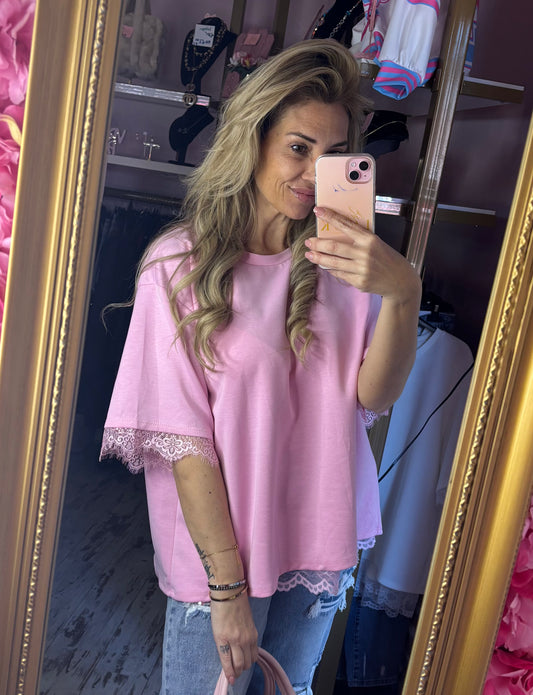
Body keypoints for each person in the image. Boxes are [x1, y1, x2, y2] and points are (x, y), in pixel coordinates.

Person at [100, 39, 421, 695]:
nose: (313, 173)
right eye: (298, 147)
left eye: (333, 155)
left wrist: (402, 294)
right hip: (222, 557)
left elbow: (371, 396)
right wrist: (227, 589)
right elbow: (184, 444)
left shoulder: (347, 264)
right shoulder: (179, 266)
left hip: (320, 541)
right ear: (254, 141)